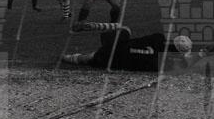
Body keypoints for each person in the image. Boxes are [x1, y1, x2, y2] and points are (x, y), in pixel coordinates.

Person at [61, 22, 210, 72]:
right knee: (88, 58)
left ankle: (97, 25)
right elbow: (187, 62)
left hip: (116, 46)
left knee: (125, 29)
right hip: (111, 61)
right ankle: (70, 58)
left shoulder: (158, 37)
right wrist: (202, 54)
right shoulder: (161, 64)